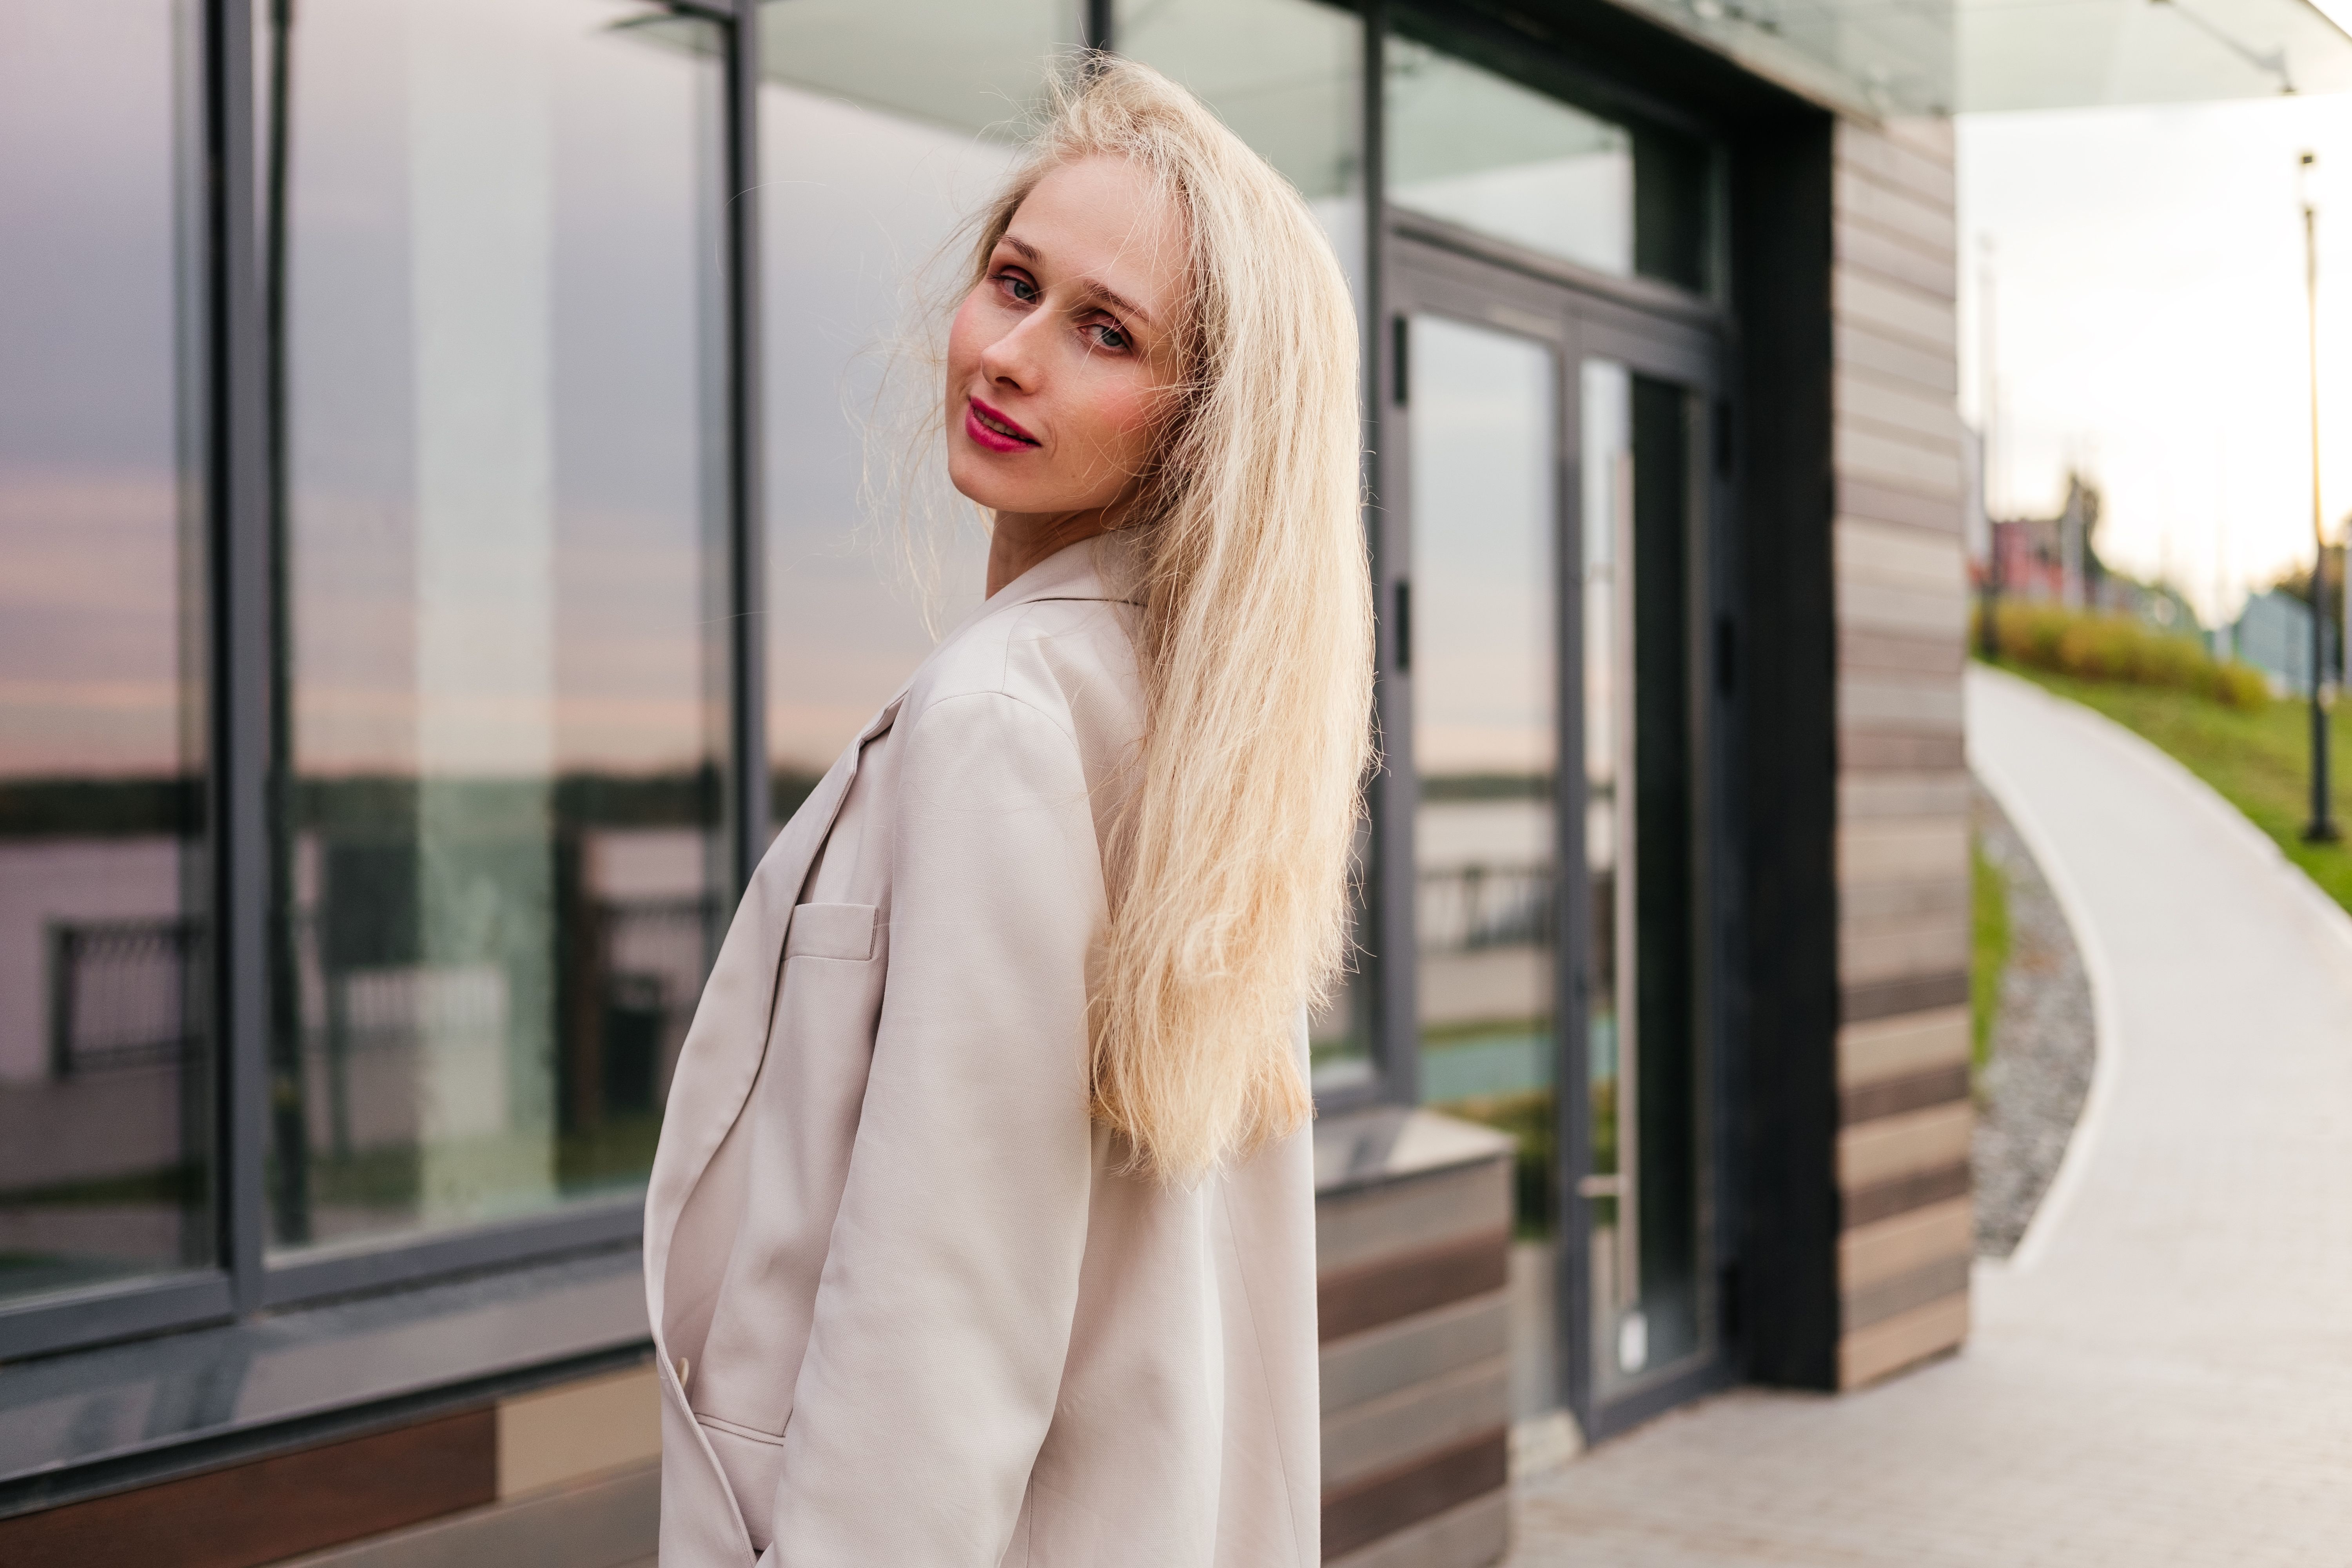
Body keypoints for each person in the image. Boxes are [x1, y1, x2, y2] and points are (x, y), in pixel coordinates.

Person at [644, 58, 1371, 1566]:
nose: (1011, 353)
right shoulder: (1196, 739)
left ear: (1203, 425)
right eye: (1012, 284)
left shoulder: (1006, 720)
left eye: (1105, 330)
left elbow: (938, 1325)